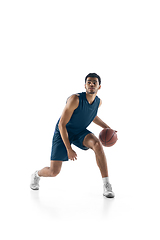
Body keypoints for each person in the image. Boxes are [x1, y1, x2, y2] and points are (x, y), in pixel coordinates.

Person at [30, 73, 115, 198]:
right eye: (89, 82)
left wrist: (107, 128)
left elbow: (92, 115)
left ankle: (106, 184)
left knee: (97, 144)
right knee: (54, 172)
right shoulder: (75, 99)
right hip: (63, 132)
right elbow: (61, 125)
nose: (91, 84)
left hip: (80, 131)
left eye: (94, 82)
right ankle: (36, 175)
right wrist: (69, 149)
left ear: (99, 87)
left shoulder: (98, 102)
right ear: (85, 85)